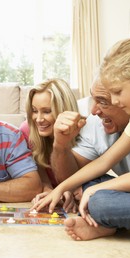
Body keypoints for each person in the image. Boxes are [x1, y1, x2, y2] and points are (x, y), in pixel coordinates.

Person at [32, 37, 130, 241]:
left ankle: (106, 222)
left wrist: (94, 191)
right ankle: (106, 225)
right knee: (88, 182)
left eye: (118, 92)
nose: (114, 101)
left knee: (101, 201)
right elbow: (104, 162)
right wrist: (61, 188)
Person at [32, 77, 130, 204]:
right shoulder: (97, 123)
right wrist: (61, 144)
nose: (93, 111)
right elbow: (100, 164)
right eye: (93, 99)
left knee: (97, 200)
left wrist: (93, 189)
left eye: (103, 102)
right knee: (87, 185)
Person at [19, 78, 79, 212]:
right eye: (34, 111)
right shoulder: (27, 130)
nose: (39, 119)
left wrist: (68, 190)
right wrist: (48, 189)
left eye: (46, 111)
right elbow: (38, 171)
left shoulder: (85, 132)